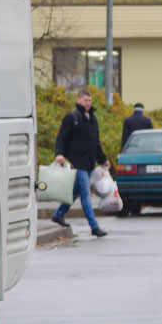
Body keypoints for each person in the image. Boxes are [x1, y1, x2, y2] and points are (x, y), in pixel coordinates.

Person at [53, 89, 109, 237]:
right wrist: (59, 153)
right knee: (85, 193)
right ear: (78, 100)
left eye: (90, 101)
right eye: (85, 100)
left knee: (75, 192)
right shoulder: (72, 118)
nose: (88, 103)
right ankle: (94, 226)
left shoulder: (93, 119)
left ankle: (58, 214)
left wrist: (102, 159)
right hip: (77, 163)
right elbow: (62, 137)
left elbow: (96, 142)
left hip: (89, 162)